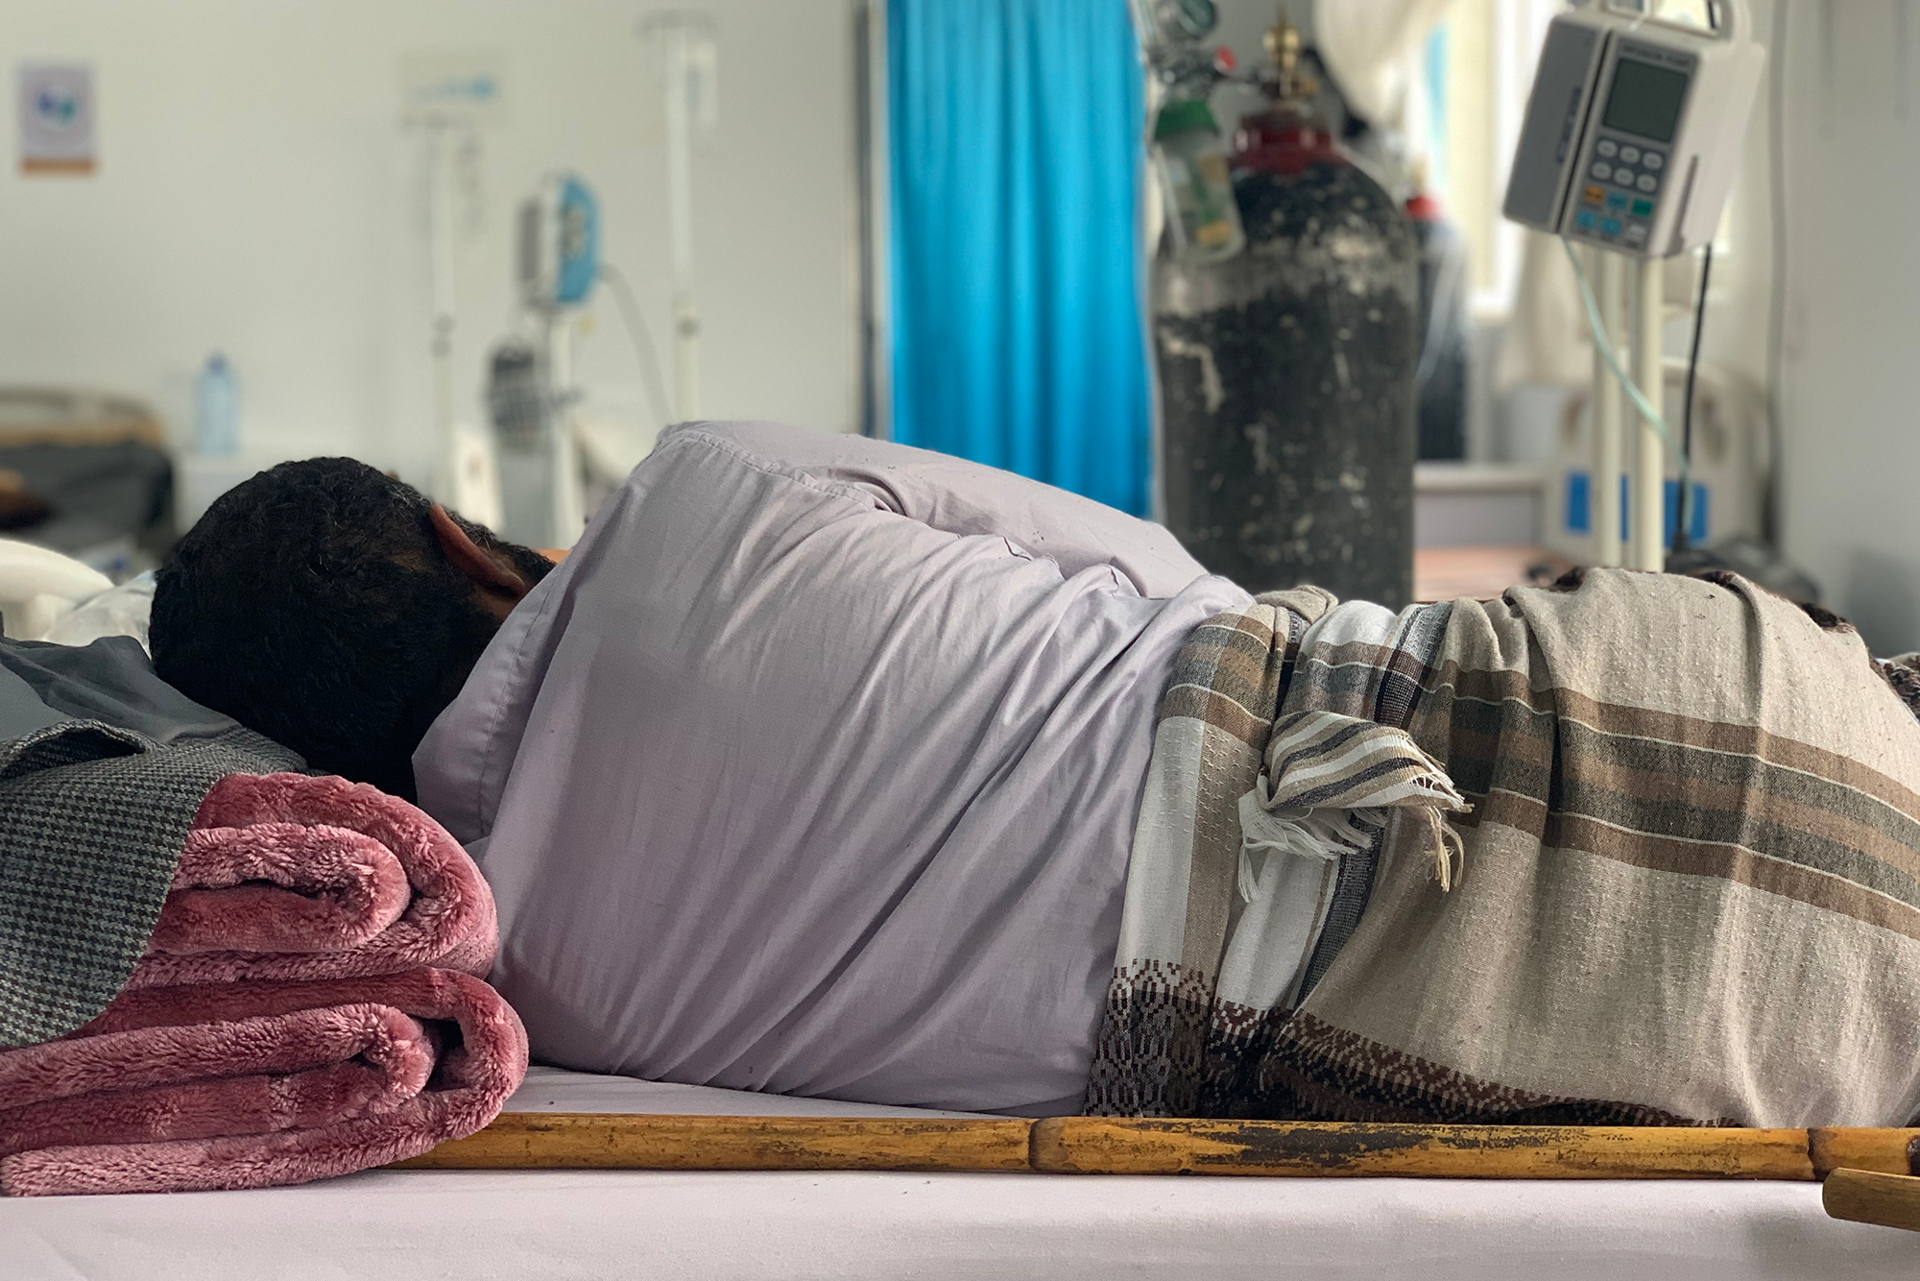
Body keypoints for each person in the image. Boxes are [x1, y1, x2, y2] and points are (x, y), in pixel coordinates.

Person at [153, 420, 1920, 1127]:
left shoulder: (520, 972)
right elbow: (1161, 576)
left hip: (1545, 1021)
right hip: (1657, 699)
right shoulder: (709, 491)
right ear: (471, 545)